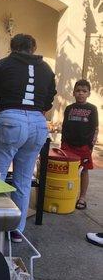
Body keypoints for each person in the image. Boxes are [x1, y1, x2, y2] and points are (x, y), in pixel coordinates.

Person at [0, 34, 56, 242]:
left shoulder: (3, 64)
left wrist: (3, 109)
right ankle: (16, 231)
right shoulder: (46, 69)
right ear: (33, 48)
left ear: (12, 47)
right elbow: (50, 98)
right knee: (23, 179)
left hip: (10, 120)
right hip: (37, 124)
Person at [61, 79, 99, 210]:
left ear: (88, 93)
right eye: (78, 91)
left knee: (84, 171)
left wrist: (90, 145)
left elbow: (95, 128)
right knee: (67, 172)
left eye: (84, 91)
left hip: (84, 147)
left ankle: (82, 197)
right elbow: (64, 126)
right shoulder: (69, 109)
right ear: (73, 93)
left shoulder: (92, 109)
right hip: (68, 146)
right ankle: (66, 195)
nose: (81, 93)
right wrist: (63, 143)